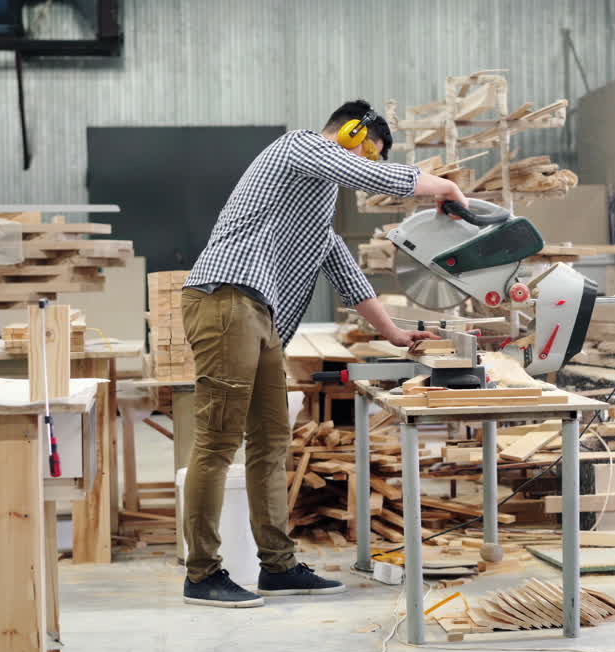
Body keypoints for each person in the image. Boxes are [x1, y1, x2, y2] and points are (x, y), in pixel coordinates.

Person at [180, 99, 468, 608]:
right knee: (218, 443)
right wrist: (440, 187)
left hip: (259, 312)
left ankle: (279, 566)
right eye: (371, 154)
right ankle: (202, 574)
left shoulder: (314, 199)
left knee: (270, 441)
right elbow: (362, 172)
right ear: (353, 134)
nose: (369, 167)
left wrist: (395, 333)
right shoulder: (300, 146)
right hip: (226, 298)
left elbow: (344, 270)